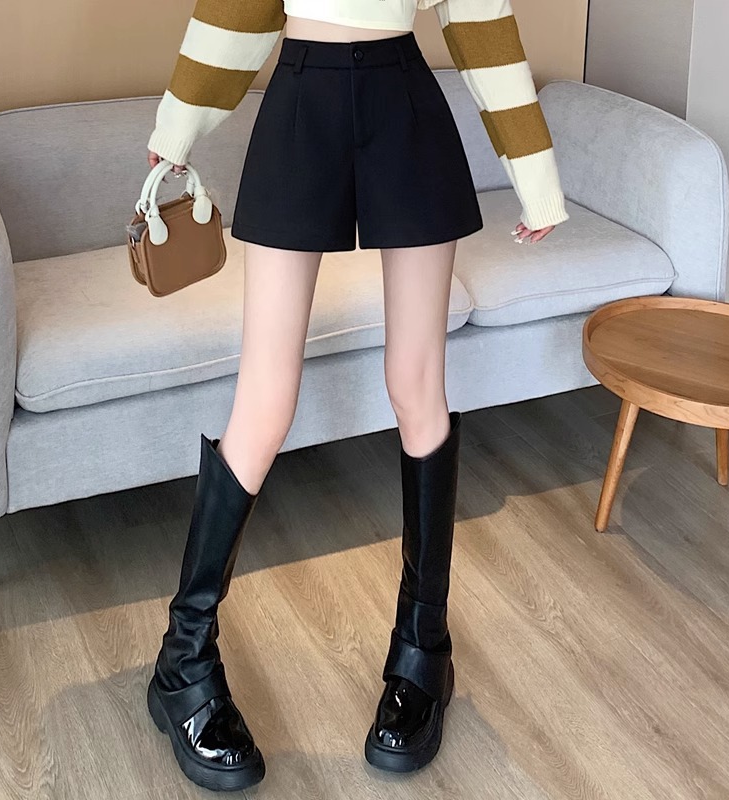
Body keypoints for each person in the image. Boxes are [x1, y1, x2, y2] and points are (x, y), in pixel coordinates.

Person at [144, 0, 570, 792]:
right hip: (300, 101)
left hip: (404, 104)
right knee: (265, 398)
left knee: (416, 383)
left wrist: (535, 176)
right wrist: (179, 127)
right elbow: (240, 6)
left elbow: (480, 17)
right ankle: (183, 658)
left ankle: (423, 653)